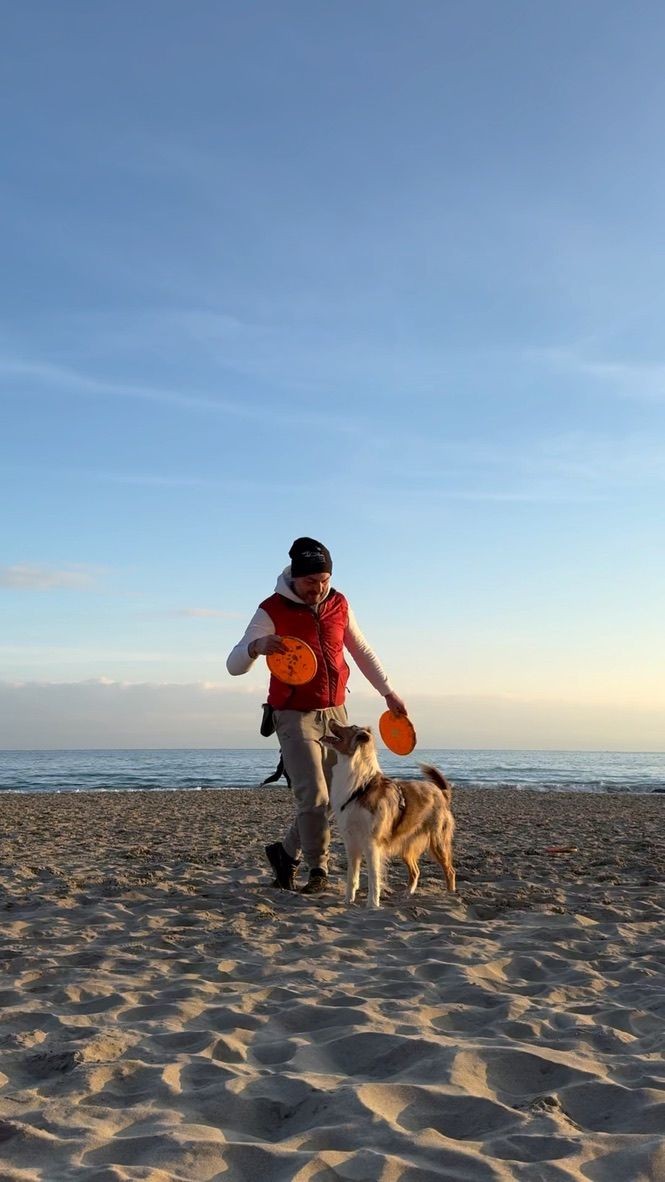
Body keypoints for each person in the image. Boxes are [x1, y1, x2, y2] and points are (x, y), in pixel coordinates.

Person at [226, 537, 407, 895]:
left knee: (334, 797)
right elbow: (233, 664)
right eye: (311, 582)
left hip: (336, 713)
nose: (318, 588)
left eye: (324, 580)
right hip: (293, 714)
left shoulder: (338, 603)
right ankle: (318, 870)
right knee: (313, 798)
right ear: (294, 576)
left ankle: (284, 853)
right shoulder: (271, 609)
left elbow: (360, 649)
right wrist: (256, 647)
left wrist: (388, 692)